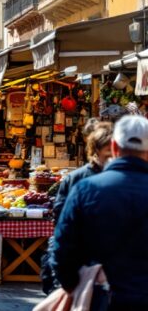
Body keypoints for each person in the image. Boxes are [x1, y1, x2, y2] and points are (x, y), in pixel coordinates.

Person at [51, 115, 148, 309]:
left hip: (101, 297)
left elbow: (62, 249)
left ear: (114, 147)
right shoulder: (84, 187)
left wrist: (75, 286)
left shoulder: (86, 189)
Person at [41, 120, 113, 294]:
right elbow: (62, 224)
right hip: (82, 265)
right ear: (95, 150)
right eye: (108, 153)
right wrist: (68, 280)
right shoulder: (77, 180)